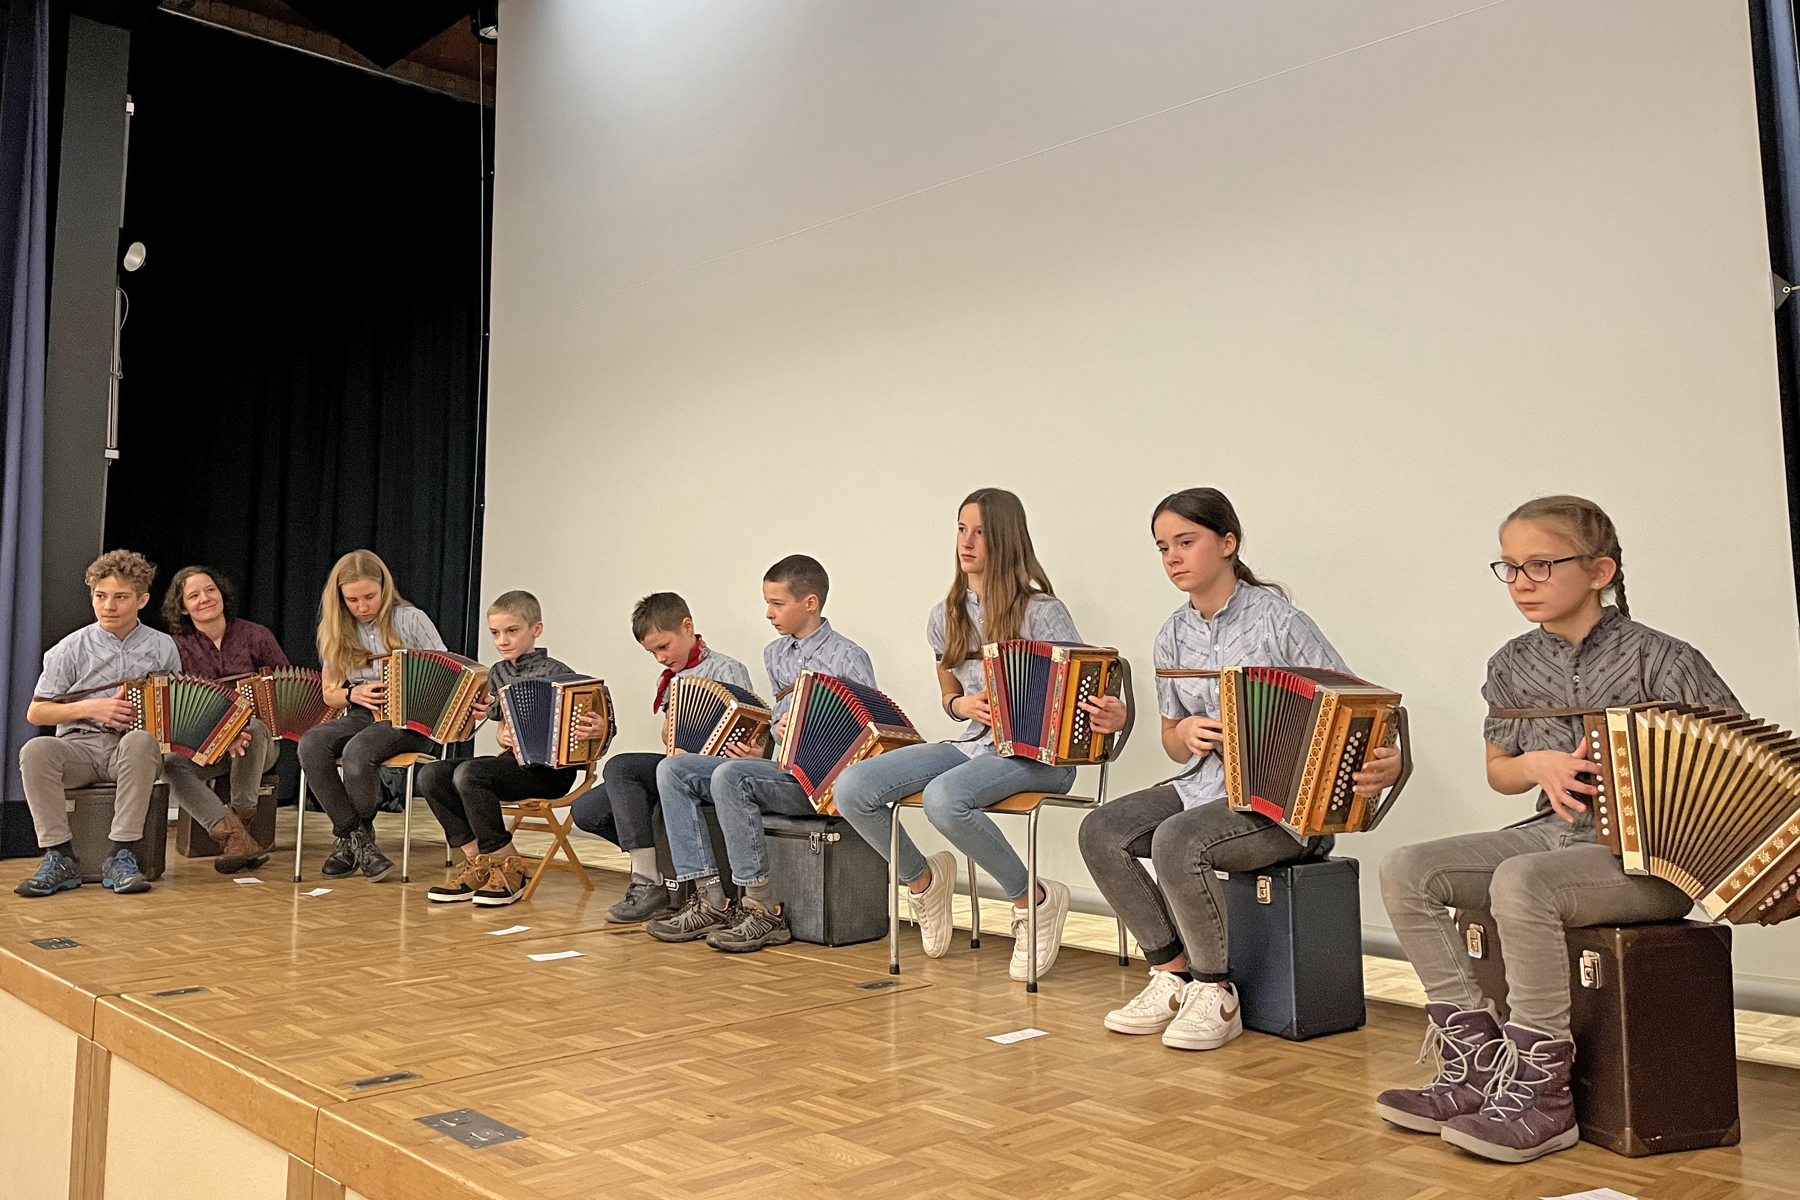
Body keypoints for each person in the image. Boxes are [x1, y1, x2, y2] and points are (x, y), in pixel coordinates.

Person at [1374, 495, 1737, 1164]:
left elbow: (1735, 766)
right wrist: (1536, 765)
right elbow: (1500, 772)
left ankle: (1542, 1093)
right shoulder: (1510, 663)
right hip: (1551, 833)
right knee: (1406, 868)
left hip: (1653, 860)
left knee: (1523, 881)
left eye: (1540, 565)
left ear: (1600, 571)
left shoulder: (1667, 659)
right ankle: (1476, 1065)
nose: (1521, 582)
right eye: (1509, 567)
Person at [1076, 489, 1402, 1049]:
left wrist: (1387, 759)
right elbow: (1172, 743)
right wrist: (1183, 733)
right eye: (1163, 548)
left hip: (1284, 807)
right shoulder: (1171, 634)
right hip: (1204, 787)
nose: (1173, 557)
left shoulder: (1281, 622)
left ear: (1228, 543)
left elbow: (1356, 706)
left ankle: (1216, 990)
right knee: (1101, 830)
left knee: (1179, 839)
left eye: (1186, 542)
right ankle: (1172, 973)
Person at [832, 488, 1124, 981]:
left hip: (1042, 757)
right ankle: (923, 882)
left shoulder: (1042, 611)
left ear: (1005, 538)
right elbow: (950, 693)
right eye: (961, 529)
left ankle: (1034, 900)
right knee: (852, 787)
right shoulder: (944, 614)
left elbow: (1082, 686)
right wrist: (961, 705)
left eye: (981, 532)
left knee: (945, 798)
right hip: (973, 745)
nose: (966, 542)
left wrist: (1108, 714)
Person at [648, 555, 877, 952]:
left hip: (826, 784)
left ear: (810, 603)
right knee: (673, 769)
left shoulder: (848, 656)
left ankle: (761, 908)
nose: (768, 613)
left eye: (777, 603)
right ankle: (709, 899)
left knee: (730, 775)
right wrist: (766, 738)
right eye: (767, 603)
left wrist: (807, 729)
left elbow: (867, 731)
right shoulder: (775, 654)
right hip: (787, 772)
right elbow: (777, 722)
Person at [568, 592, 755, 923]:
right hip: (674, 767)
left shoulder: (728, 669)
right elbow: (671, 740)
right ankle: (662, 874)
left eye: (664, 647)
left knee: (622, 766)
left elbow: (746, 729)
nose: (659, 658)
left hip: (712, 772)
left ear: (688, 627)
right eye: (652, 652)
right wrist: (670, 732)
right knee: (586, 810)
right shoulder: (668, 680)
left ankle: (647, 881)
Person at [15, 551, 185, 896]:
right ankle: (59, 856)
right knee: (35, 750)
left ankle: (121, 855)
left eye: (121, 597)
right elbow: (37, 712)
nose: (108, 606)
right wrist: (92, 707)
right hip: (79, 747)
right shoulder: (69, 648)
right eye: (100, 596)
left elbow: (175, 705)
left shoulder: (162, 646)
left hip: (130, 751)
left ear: (142, 600)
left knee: (142, 741)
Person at [297, 549, 458, 884]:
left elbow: (447, 673)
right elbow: (329, 693)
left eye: (370, 597)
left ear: (384, 588)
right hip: (362, 712)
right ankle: (358, 839)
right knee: (312, 743)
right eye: (352, 600)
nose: (362, 607)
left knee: (358, 750)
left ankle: (351, 844)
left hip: (411, 718)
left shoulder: (411, 619)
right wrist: (352, 694)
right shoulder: (336, 627)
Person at [418, 590, 583, 907]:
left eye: (512, 631)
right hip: (512, 763)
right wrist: (504, 735)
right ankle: (478, 863)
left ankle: (509, 867)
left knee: (470, 774)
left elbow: (578, 729)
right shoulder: (498, 672)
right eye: (495, 633)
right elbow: (501, 729)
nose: (502, 641)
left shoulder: (559, 673)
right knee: (431, 774)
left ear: (536, 630)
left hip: (550, 772)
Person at [160, 565, 288, 873]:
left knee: (252, 728)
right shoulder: (174, 647)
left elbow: (285, 688)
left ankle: (242, 816)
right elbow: (173, 709)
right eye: (193, 596)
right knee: (170, 764)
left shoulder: (256, 635)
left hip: (259, 746)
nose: (204, 599)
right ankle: (234, 834)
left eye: (210, 590)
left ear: (221, 594)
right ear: (182, 607)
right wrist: (218, 736)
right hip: (206, 750)